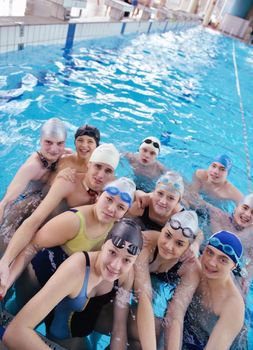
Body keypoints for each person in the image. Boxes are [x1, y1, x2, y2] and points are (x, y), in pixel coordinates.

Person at [2, 219, 143, 350]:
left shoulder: (126, 275)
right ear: (104, 243)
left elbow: (119, 328)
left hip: (79, 338)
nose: (115, 265)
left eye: (127, 260)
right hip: (58, 339)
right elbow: (14, 333)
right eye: (112, 252)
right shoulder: (76, 269)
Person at [0, 177, 136, 302]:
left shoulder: (116, 229)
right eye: (109, 199)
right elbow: (32, 246)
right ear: (99, 195)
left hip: (61, 287)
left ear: (124, 213)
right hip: (36, 276)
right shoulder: (73, 221)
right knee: (16, 307)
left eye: (120, 207)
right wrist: (9, 277)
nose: (111, 209)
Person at [0, 142, 119, 265]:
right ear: (89, 164)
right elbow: (33, 222)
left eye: (108, 171)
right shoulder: (68, 180)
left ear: (113, 174)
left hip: (64, 240)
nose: (100, 175)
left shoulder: (114, 192)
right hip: (41, 226)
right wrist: (5, 261)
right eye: (98, 166)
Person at [128, 210, 200, 349]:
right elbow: (144, 296)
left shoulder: (191, 267)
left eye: (179, 244)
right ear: (162, 229)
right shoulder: (146, 243)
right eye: (167, 235)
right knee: (152, 333)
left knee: (157, 334)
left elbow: (176, 316)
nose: (168, 246)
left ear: (187, 248)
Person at [165, 231, 246, 350]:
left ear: (233, 266)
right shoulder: (196, 269)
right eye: (210, 252)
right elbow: (175, 314)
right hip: (188, 328)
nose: (211, 262)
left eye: (223, 260)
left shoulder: (233, 305)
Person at [0, 118, 67, 225]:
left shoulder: (66, 156)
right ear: (40, 140)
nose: (54, 149)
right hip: (24, 202)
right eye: (48, 142)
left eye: (60, 143)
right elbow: (5, 203)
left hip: (44, 200)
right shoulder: (32, 167)